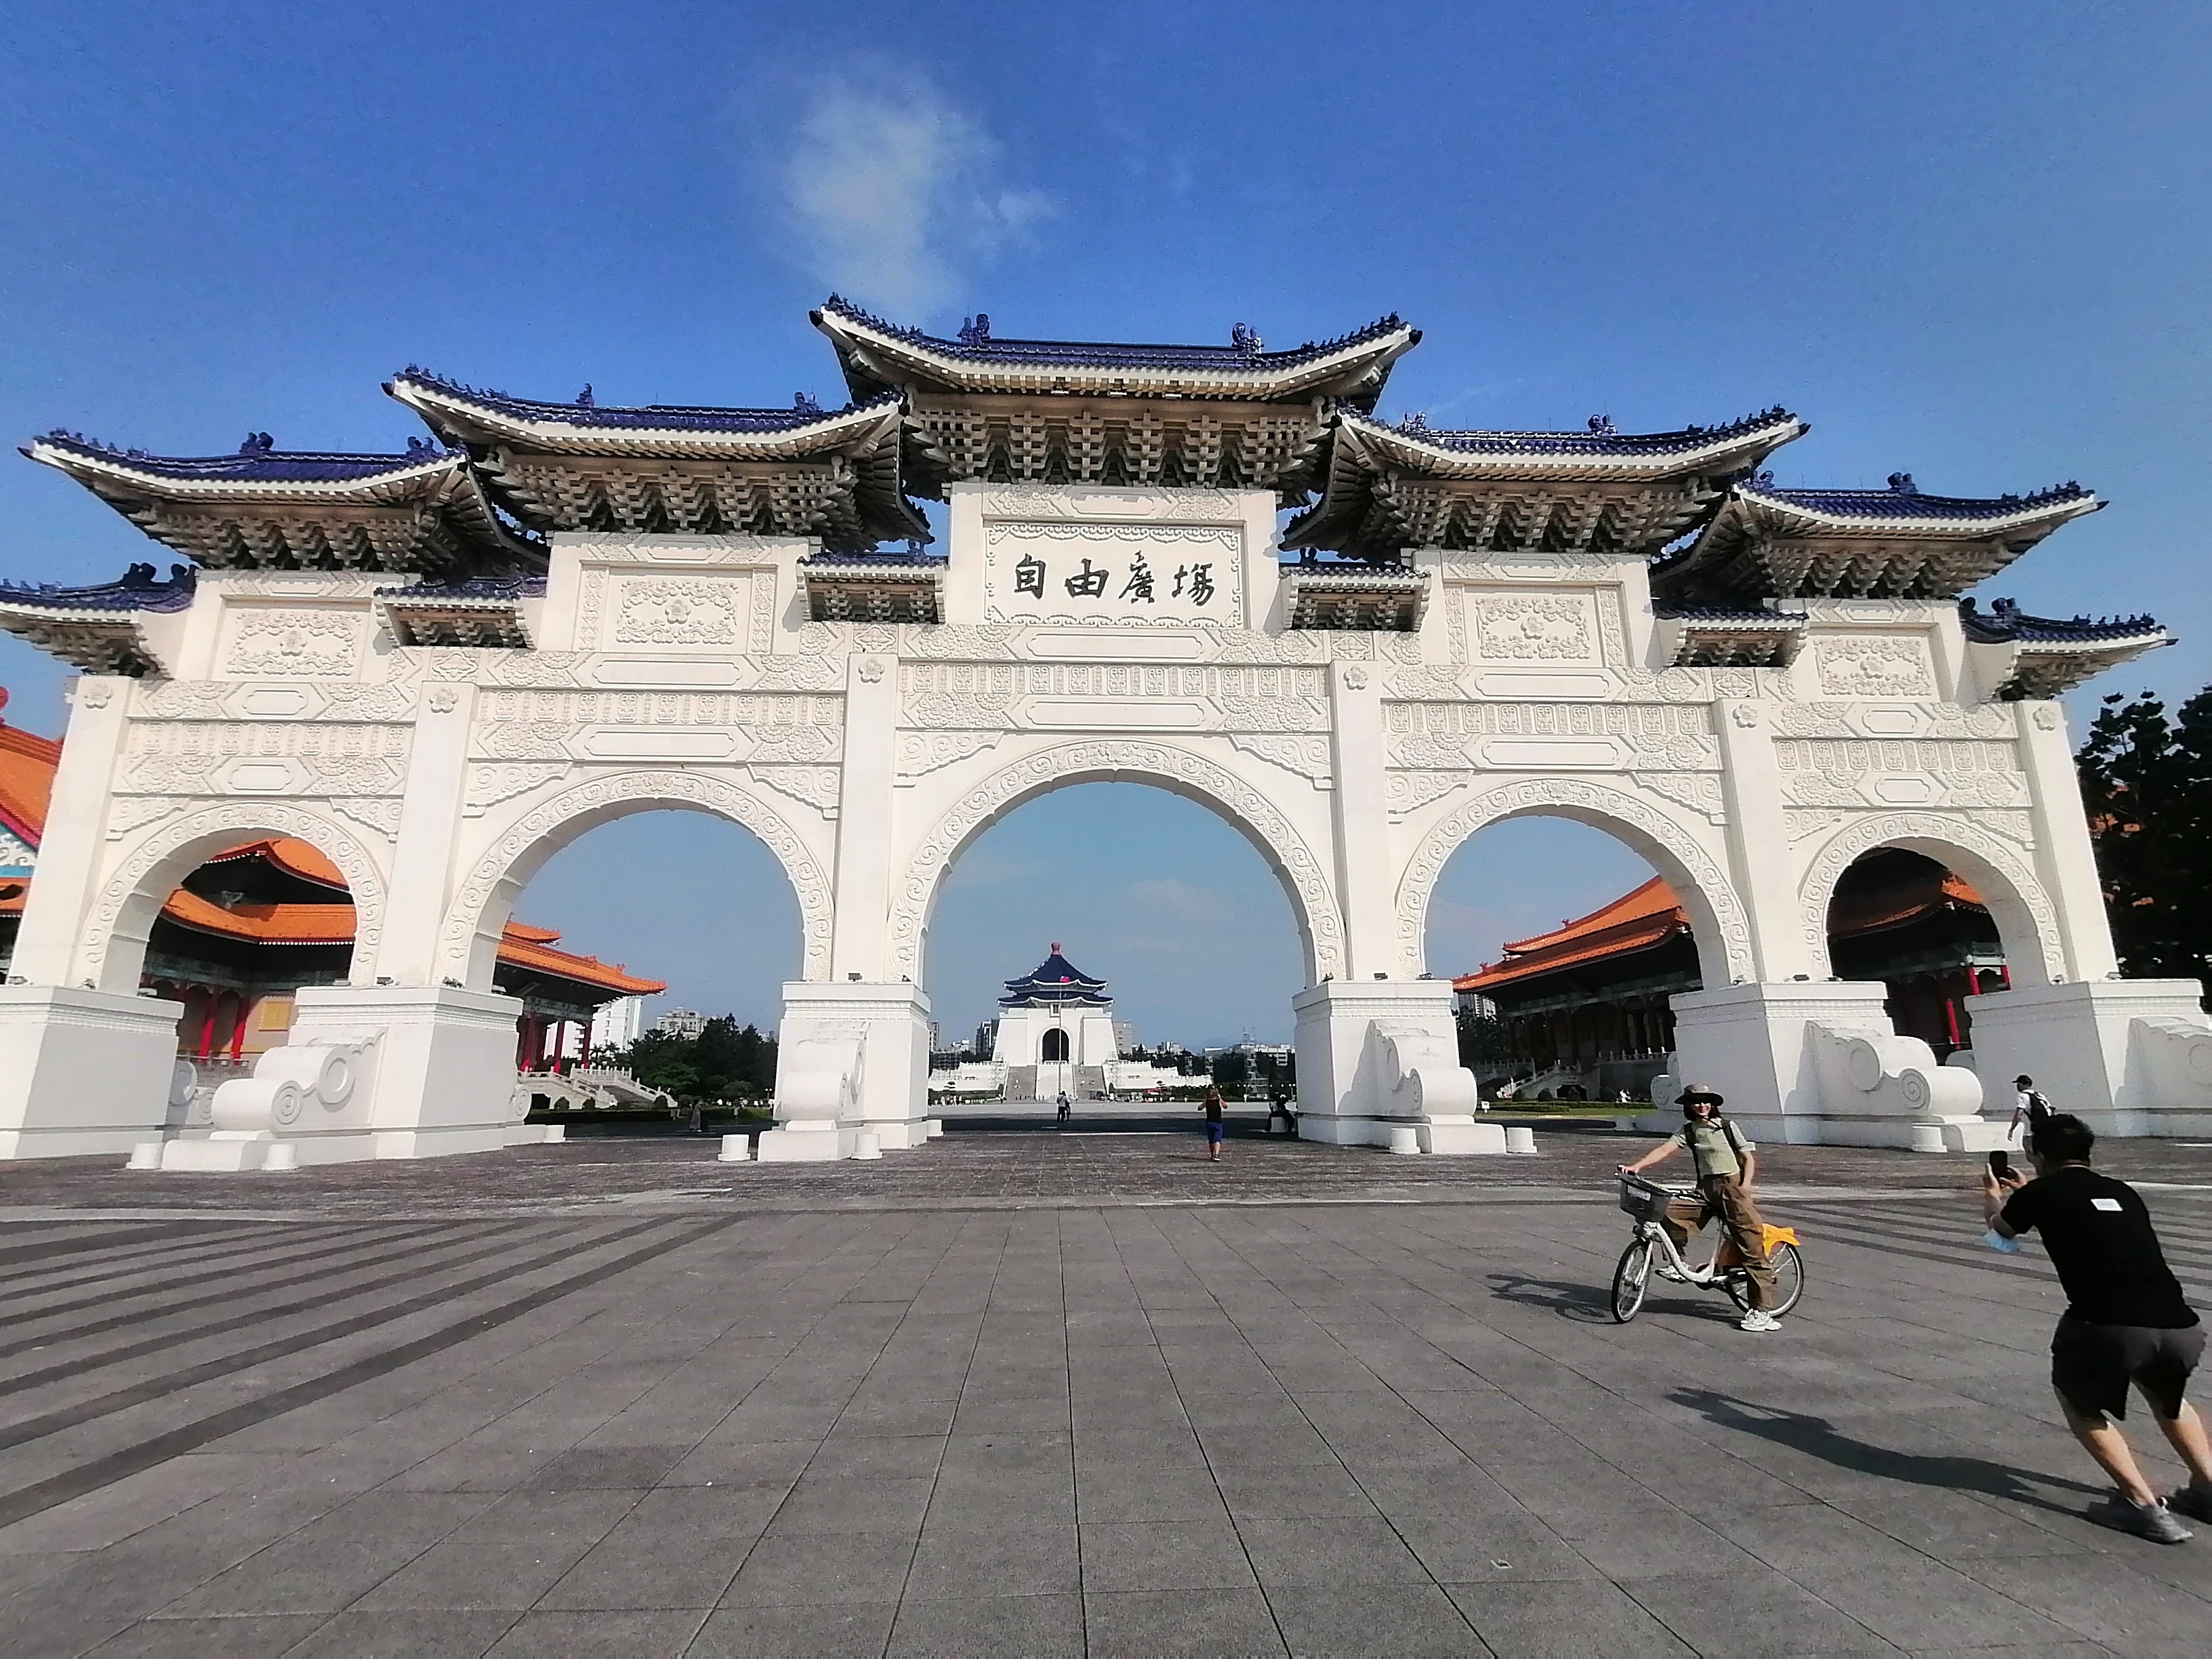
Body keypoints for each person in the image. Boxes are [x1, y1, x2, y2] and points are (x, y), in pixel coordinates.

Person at [1984, 1113, 2212, 1543]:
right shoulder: (2121, 1190)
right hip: (2180, 1324)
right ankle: (2208, 1489)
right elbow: (2084, 1215)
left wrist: (1993, 1198)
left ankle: (2142, 1505)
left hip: (2105, 1324)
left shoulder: (2041, 1193)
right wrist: (2028, 1196)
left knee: (2080, 1403)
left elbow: (2001, 1236)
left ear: (2037, 1154)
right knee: (2168, 1399)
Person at [1618, 1086, 1783, 1332]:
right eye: (1695, 1102)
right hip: (1706, 1190)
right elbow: (1665, 1149)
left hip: (1732, 1188)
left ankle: (1762, 1311)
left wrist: (1745, 1185)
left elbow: (1747, 1157)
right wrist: (1637, 1166)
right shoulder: (1689, 1130)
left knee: (1751, 1246)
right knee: (1666, 1212)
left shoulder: (1726, 1127)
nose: (1701, 1105)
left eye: (1705, 1101)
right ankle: (1678, 1262)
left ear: (1712, 1104)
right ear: (1689, 1106)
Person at [2008, 1075, 2053, 1152]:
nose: (2017, 1086)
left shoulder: (2022, 1096)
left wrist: (2012, 1129)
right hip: (2045, 1128)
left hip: (2030, 1130)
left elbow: (2018, 1114)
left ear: (2024, 1084)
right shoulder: (2040, 1095)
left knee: (2029, 1150)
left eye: (2019, 1084)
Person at [1200, 1087, 1226, 1161]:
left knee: (1211, 1140)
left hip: (1209, 1122)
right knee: (1218, 1140)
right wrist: (1220, 1098)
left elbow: (1200, 1108)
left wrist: (1205, 1100)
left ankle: (1212, 1155)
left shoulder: (1207, 1102)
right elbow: (1225, 1106)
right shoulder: (1218, 1101)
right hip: (1218, 1122)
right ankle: (1216, 1155)